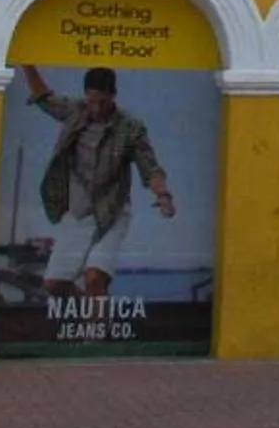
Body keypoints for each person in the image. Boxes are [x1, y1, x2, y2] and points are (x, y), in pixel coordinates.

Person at [20, 64, 175, 299]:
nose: (97, 108)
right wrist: (26, 65)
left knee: (94, 277)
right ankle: (94, 311)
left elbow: (150, 166)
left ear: (113, 96)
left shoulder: (129, 127)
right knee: (54, 284)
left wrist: (163, 196)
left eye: (102, 102)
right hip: (78, 212)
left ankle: (97, 320)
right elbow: (43, 97)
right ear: (86, 96)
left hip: (111, 211)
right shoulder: (75, 111)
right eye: (92, 101)